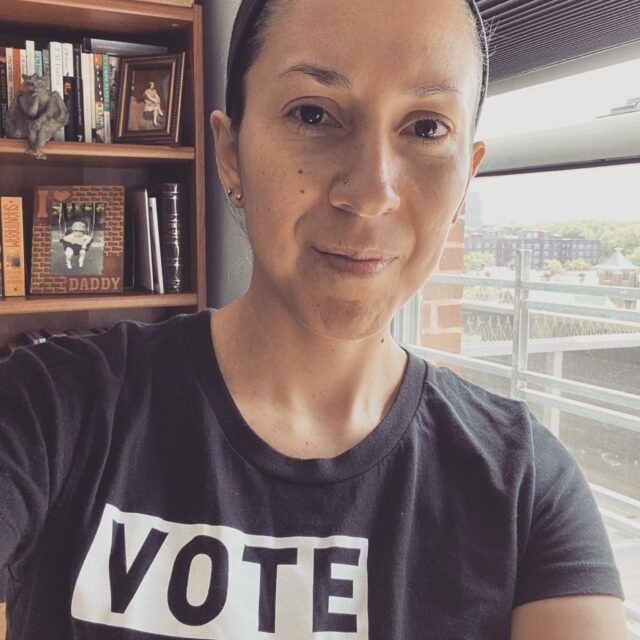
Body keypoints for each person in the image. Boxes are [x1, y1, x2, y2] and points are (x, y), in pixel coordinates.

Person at [0, 0, 629, 638]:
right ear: (230, 153)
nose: (371, 192)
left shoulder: (525, 488)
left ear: (466, 177)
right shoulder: (51, 409)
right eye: (313, 113)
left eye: (426, 127)